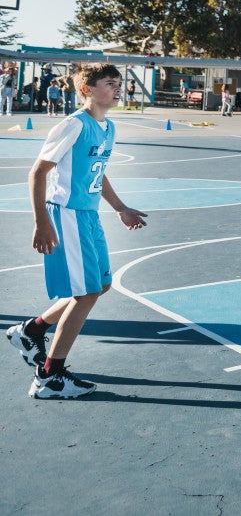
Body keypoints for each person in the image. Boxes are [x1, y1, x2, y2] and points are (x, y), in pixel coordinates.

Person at [6, 63, 148, 399]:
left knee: (100, 286)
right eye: (110, 83)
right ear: (87, 89)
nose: (118, 89)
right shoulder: (73, 125)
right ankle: (49, 376)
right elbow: (37, 174)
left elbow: (98, 172)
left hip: (88, 215)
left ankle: (31, 330)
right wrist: (42, 222)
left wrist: (120, 208)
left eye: (119, 83)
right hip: (66, 215)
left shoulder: (108, 127)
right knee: (85, 294)